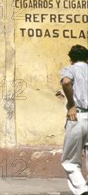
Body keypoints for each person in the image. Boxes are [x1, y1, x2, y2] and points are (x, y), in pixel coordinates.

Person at [60, 44, 88, 195]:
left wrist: (71, 103)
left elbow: (65, 82)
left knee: (70, 159)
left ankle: (81, 188)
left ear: (71, 59)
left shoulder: (70, 69)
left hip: (77, 115)